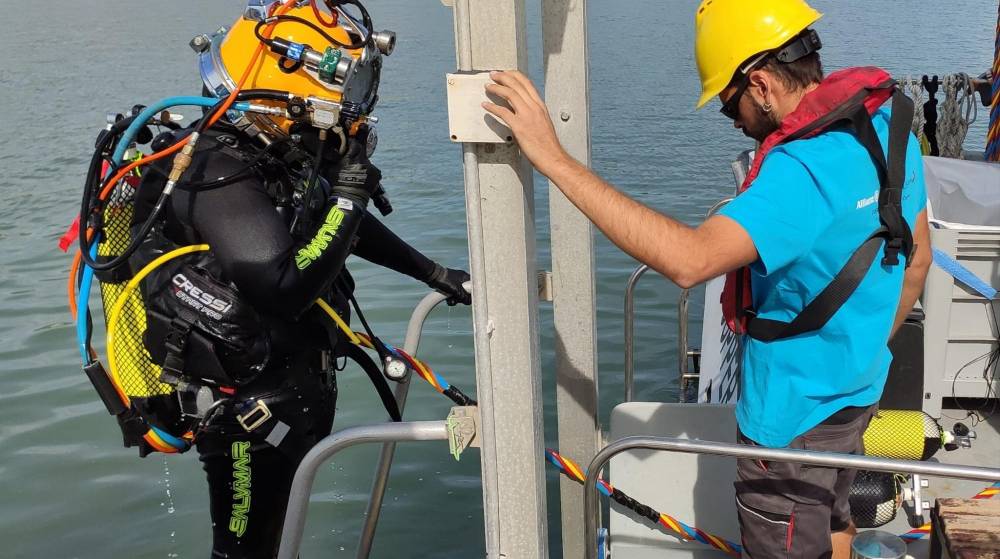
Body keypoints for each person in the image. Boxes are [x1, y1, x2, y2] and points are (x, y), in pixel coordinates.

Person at [483, 0, 932, 557]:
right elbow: (917, 259)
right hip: (858, 394)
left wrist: (553, 157)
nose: (736, 123)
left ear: (762, 84)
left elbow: (690, 260)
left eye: (729, 106)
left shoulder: (799, 173)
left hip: (789, 423)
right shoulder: (890, 126)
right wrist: (859, 353)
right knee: (838, 524)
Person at [124, 2, 469, 557]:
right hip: (245, 415)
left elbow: (333, 223)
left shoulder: (271, 153)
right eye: (345, 87)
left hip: (290, 390)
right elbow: (281, 283)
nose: (351, 108)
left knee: (280, 538)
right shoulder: (212, 168)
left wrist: (436, 274)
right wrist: (352, 198)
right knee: (244, 550)